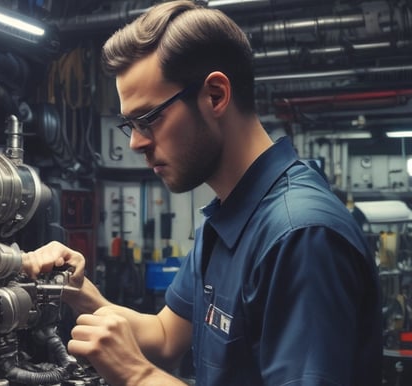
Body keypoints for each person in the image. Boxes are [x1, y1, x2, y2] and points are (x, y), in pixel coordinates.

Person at [22, 1, 382, 385]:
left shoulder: (301, 236)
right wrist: (79, 293)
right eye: (131, 125)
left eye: (148, 119)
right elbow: (164, 336)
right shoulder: (228, 217)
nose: (136, 144)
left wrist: (135, 374)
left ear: (214, 95)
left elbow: (146, 362)